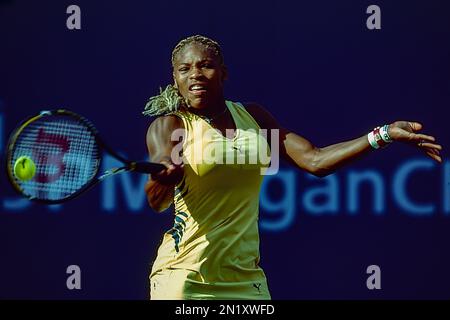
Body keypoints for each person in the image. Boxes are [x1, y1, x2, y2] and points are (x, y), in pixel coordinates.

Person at [142, 35, 442, 300]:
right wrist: (165, 176)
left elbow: (315, 160)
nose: (196, 75)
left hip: (246, 281)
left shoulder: (253, 117)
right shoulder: (170, 125)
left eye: (205, 66)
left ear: (223, 73)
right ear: (175, 78)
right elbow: (157, 201)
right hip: (185, 277)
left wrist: (384, 134)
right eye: (185, 69)